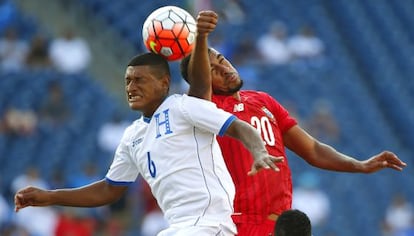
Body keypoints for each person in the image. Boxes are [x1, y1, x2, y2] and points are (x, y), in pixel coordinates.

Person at [14, 11, 282, 236]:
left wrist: (258, 150)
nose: (131, 87)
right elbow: (109, 189)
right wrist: (50, 197)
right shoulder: (132, 136)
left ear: (164, 83)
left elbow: (238, 126)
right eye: (128, 81)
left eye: (139, 80)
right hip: (177, 229)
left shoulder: (183, 107)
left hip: (210, 226)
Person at [180, 45, 407, 235]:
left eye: (222, 59)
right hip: (240, 223)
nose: (224, 68)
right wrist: (201, 36)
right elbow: (198, 88)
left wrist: (359, 165)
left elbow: (313, 150)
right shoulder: (206, 110)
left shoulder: (263, 101)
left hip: (282, 223)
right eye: (212, 70)